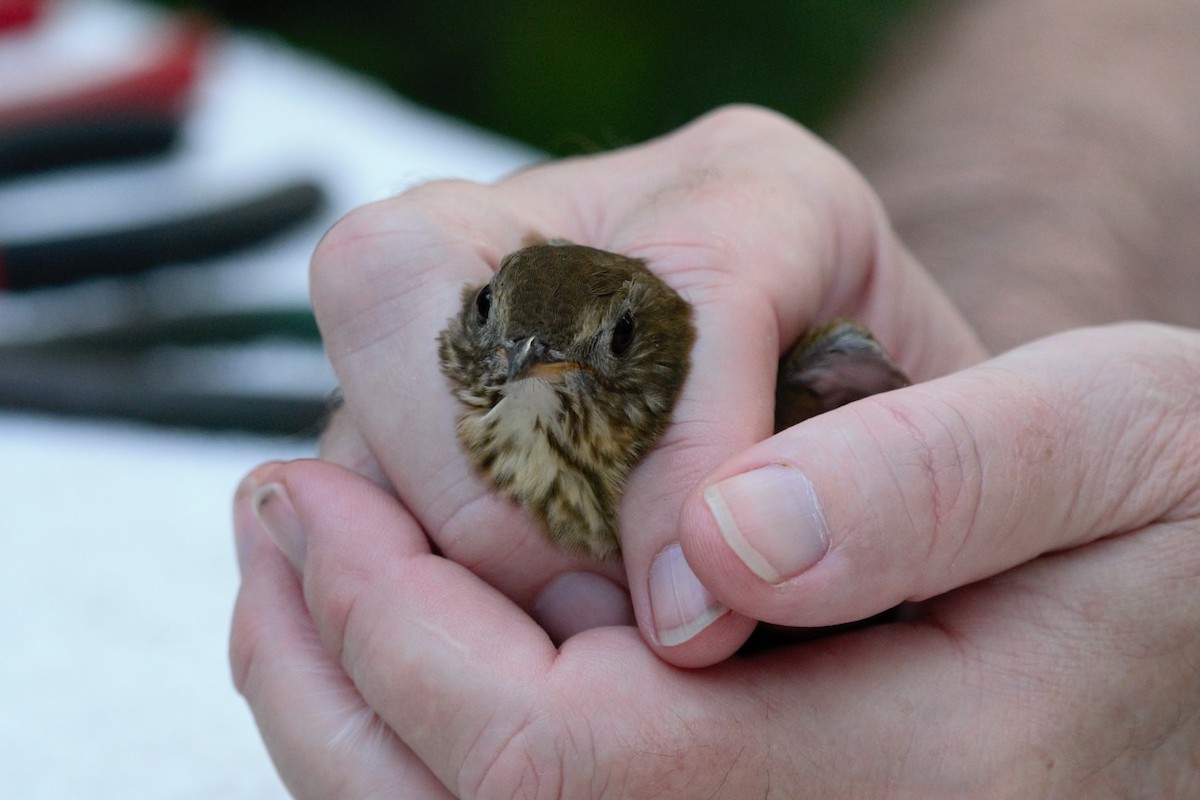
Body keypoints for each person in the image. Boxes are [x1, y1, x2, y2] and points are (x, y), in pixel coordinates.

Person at [230, 0, 1200, 796]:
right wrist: (1032, 432)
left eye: (607, 342)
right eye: (490, 321)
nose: (527, 361)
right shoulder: (511, 431)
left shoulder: (780, 396)